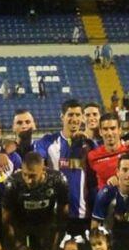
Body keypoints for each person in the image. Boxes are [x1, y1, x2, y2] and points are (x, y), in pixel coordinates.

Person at [34, 99, 96, 238]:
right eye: (70, 115)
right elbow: (38, 164)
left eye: (78, 115)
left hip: (82, 212)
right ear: (62, 117)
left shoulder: (89, 144)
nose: (74, 119)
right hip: (54, 212)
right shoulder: (47, 141)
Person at [1, 152, 68, 250]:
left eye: (32, 176)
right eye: (25, 174)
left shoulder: (58, 180)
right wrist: (14, 242)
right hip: (20, 224)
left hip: (45, 224)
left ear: (43, 169)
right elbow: (6, 217)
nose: (28, 180)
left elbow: (63, 212)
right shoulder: (13, 183)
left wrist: (57, 240)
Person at [86, 113, 129, 191]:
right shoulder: (92, 156)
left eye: (113, 128)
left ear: (120, 130)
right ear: (100, 132)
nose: (109, 133)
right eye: (105, 129)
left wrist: (119, 179)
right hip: (104, 200)